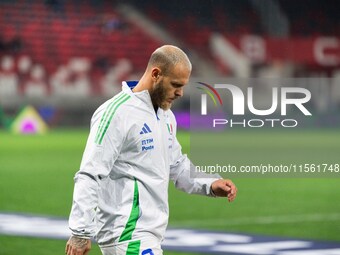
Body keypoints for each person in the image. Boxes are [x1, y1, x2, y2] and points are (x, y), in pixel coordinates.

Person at [65, 45, 237, 255]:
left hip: (148, 234)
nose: (181, 93)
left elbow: (176, 165)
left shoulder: (166, 115)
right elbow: (90, 173)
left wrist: (210, 184)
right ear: (156, 74)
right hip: (127, 233)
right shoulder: (117, 112)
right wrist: (80, 232)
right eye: (176, 85)